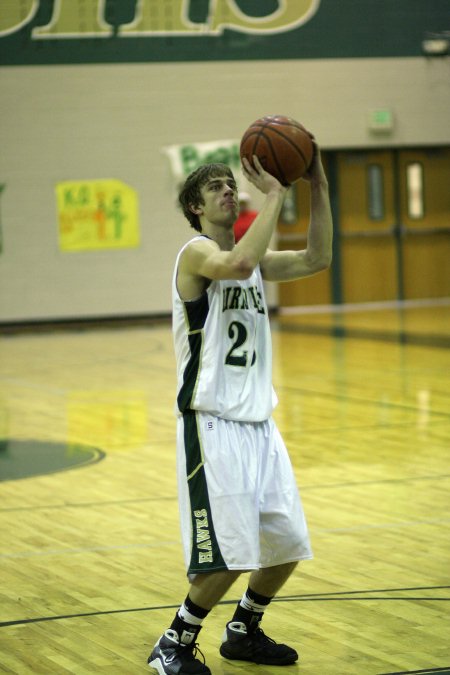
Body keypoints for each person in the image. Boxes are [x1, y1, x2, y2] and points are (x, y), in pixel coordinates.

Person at [148, 131, 333, 674]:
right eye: (216, 187)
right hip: (213, 426)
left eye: (232, 184)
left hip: (259, 426)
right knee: (229, 553)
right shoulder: (198, 254)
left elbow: (319, 257)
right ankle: (172, 645)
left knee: (286, 544)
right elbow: (238, 267)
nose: (228, 191)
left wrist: (316, 183)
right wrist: (275, 195)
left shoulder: (253, 259)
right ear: (194, 207)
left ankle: (243, 629)